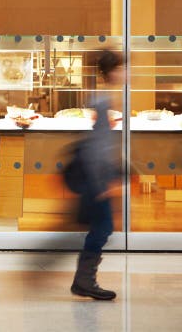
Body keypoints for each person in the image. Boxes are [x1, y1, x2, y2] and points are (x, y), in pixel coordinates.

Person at [70, 49, 123, 300]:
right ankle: (84, 280)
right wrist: (103, 182)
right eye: (122, 68)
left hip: (97, 175)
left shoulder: (103, 98)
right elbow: (98, 146)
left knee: (102, 227)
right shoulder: (103, 101)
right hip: (96, 177)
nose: (125, 73)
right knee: (103, 227)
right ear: (112, 71)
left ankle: (84, 279)